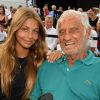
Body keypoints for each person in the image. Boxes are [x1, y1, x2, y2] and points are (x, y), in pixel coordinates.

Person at [31, 10, 100, 100]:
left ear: (87, 33)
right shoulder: (47, 66)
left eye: (73, 30)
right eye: (62, 32)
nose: (66, 37)